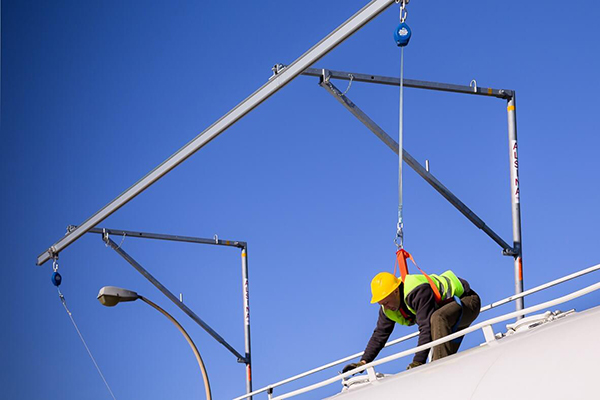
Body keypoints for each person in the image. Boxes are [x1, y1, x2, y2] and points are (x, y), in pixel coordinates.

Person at [342, 270, 480, 373]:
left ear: (396, 291)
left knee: (437, 319)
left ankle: (439, 371)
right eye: (381, 303)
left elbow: (425, 327)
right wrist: (363, 362)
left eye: (387, 301)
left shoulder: (416, 291)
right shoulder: (387, 309)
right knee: (448, 360)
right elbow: (379, 335)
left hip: (467, 302)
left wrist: (418, 363)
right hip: (448, 318)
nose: (386, 306)